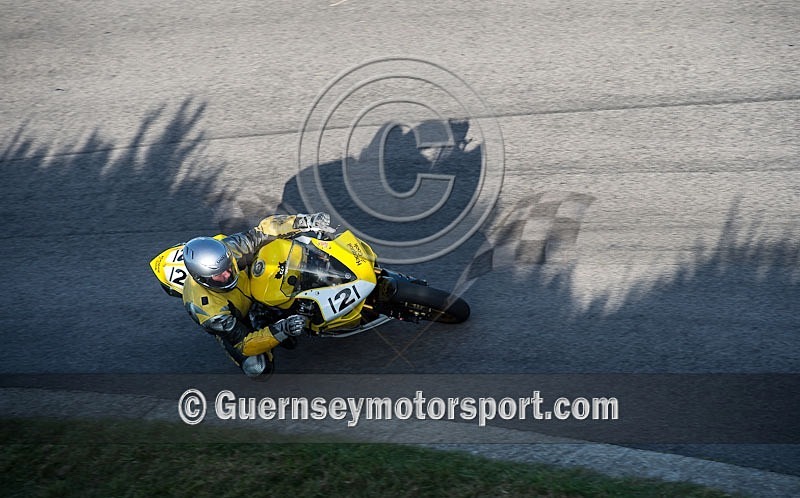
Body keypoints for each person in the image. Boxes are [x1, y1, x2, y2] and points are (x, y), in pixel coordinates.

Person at [181, 213, 331, 378]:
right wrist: (282, 329)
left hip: (254, 285)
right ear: (201, 279)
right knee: (257, 369)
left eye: (227, 266)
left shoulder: (227, 250)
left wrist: (305, 221)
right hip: (238, 319)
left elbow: (262, 231)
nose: (227, 274)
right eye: (218, 275)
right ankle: (266, 324)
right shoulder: (210, 312)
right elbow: (245, 343)